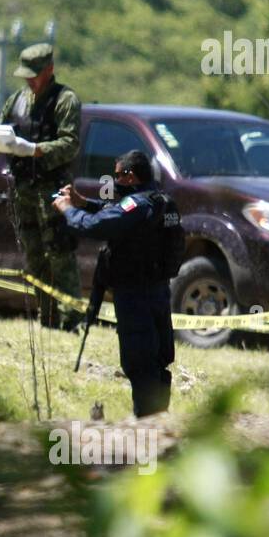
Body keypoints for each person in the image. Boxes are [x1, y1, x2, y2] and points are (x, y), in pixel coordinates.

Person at [51, 150, 177, 417]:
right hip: (158, 292)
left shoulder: (136, 206)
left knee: (139, 360)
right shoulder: (161, 201)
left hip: (135, 295)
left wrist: (68, 210)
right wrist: (83, 202)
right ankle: (157, 418)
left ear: (130, 177)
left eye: (118, 175)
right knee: (157, 360)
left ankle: (147, 422)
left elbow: (96, 227)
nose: (115, 180)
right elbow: (114, 212)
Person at [0, 42, 81, 328]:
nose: (30, 80)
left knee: (59, 251)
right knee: (34, 255)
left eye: (35, 74)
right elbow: (2, 131)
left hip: (53, 188)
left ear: (49, 70)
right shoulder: (17, 101)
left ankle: (71, 319)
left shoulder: (65, 99)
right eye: (27, 75)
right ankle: (47, 317)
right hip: (24, 189)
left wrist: (35, 149)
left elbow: (70, 144)